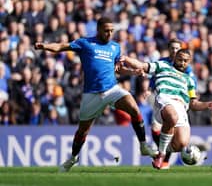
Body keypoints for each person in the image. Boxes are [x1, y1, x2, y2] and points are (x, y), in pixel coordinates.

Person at [34, 17, 156, 172]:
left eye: (112, 30)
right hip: (92, 94)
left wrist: (134, 72)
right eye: (106, 30)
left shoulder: (115, 47)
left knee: (134, 108)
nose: (110, 33)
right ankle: (73, 158)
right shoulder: (85, 43)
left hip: (112, 90)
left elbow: (119, 69)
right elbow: (61, 46)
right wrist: (45, 46)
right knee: (83, 131)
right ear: (98, 29)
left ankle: (143, 145)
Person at [122, 49, 212, 169]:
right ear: (175, 58)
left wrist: (207, 104)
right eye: (180, 59)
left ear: (189, 62)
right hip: (165, 100)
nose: (182, 62)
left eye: (185, 61)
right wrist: (125, 59)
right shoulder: (162, 66)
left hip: (181, 107)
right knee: (172, 117)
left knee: (181, 144)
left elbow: (193, 104)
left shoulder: (189, 80)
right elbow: (142, 65)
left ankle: (156, 150)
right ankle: (161, 155)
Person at [150, 38, 197, 169]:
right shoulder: (162, 62)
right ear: (169, 50)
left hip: (178, 99)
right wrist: (149, 89)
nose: (175, 50)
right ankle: (162, 152)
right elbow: (153, 76)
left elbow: (191, 82)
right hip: (161, 96)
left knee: (173, 129)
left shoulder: (185, 65)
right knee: (155, 128)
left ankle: (164, 157)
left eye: (177, 48)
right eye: (172, 48)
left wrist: (192, 97)